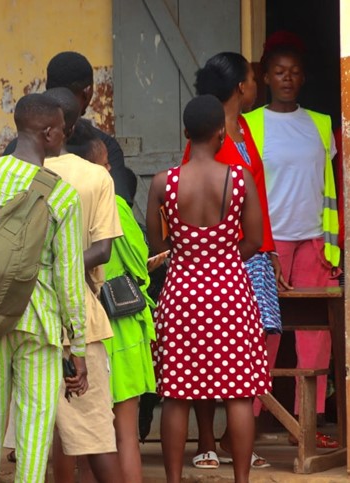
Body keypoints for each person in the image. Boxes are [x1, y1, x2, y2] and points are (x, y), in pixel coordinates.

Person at [0, 93, 88, 483]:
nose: (62, 138)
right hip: (40, 325)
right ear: (48, 132)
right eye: (62, 131)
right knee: (34, 433)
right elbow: (69, 278)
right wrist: (78, 346)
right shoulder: (62, 194)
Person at [147, 94, 271, 483]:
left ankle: (172, 479)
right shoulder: (239, 178)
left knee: (177, 391)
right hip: (230, 291)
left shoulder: (162, 182)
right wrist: (221, 254)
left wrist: (191, 252)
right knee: (237, 390)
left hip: (182, 291)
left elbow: (157, 246)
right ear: (221, 132)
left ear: (185, 132)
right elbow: (253, 240)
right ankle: (241, 480)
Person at [182, 52, 287, 469]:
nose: (256, 84)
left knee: (260, 343)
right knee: (207, 349)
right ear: (240, 87)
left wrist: (270, 248)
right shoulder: (203, 137)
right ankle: (207, 440)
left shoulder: (243, 127)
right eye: (252, 78)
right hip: (218, 257)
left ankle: (235, 437)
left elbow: (257, 196)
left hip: (254, 254)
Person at [244, 31, 341, 448]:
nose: (287, 78)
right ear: (265, 77)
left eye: (295, 73)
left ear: (303, 79)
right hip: (267, 242)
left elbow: (333, 186)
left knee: (317, 336)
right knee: (262, 330)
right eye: (279, 72)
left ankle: (309, 421)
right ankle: (251, 416)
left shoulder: (321, 125)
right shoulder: (249, 124)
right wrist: (261, 246)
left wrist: (335, 244)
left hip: (314, 241)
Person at [39, 91, 124, 483]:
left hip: (29, 311)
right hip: (80, 315)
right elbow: (103, 250)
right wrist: (65, 266)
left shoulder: (20, 172)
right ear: (74, 125)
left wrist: (42, 268)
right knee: (93, 432)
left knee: (46, 432)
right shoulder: (96, 177)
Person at [67, 119, 158, 483]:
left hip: (83, 328)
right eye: (106, 165)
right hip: (122, 330)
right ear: (94, 168)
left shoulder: (61, 200)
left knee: (88, 438)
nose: (110, 171)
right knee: (125, 435)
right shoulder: (116, 205)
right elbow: (139, 263)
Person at [3, 51, 137, 206]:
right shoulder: (104, 147)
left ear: (48, 87)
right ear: (87, 92)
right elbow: (119, 205)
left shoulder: (16, 147)